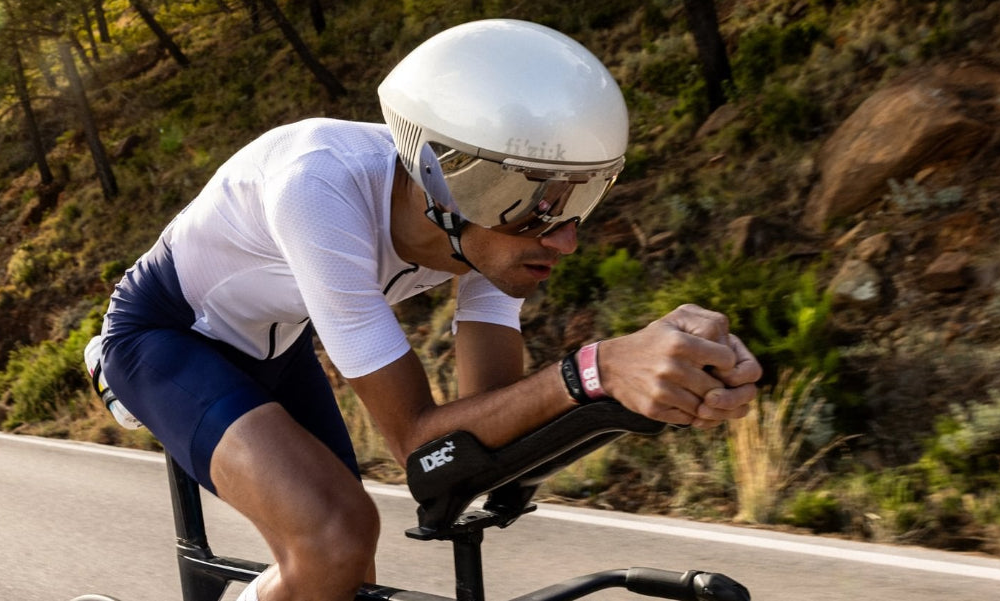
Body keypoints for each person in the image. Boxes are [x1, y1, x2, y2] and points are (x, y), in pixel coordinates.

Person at [91, 19, 762, 601]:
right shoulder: (318, 188)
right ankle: (117, 379)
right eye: (536, 199)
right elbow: (415, 439)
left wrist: (638, 386)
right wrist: (596, 370)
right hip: (166, 333)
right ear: (441, 178)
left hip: (278, 336)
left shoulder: (493, 236)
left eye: (582, 198)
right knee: (334, 535)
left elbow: (478, 434)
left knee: (343, 570)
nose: (565, 235)